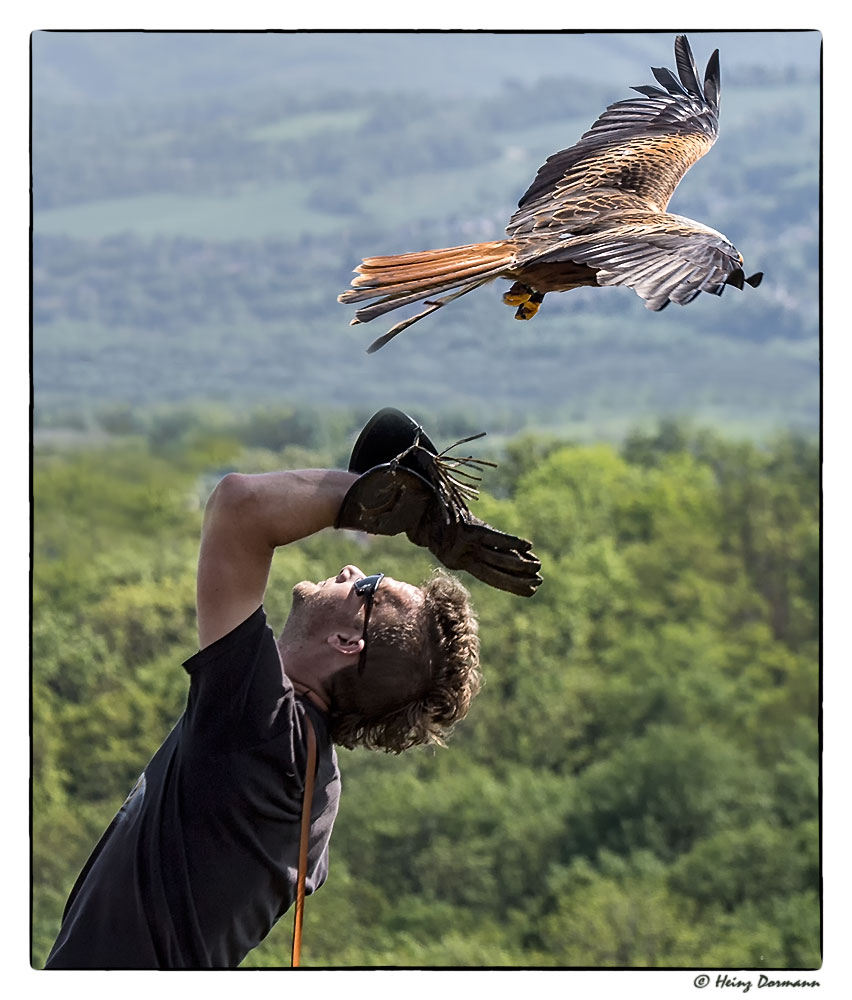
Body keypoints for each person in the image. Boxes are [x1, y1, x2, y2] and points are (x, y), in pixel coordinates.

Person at [44, 409, 541, 969]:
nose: (352, 567)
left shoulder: (262, 735)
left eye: (368, 586)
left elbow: (238, 506)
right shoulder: (309, 779)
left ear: (347, 641)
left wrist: (383, 504)